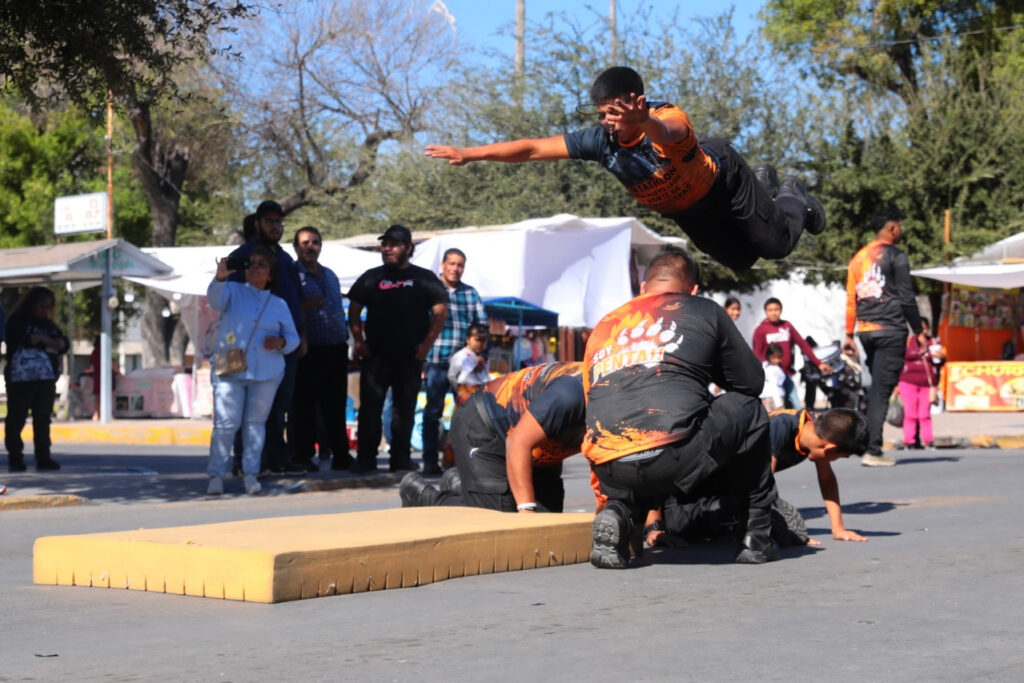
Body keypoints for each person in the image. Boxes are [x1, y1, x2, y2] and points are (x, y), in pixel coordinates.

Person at [425, 66, 825, 272]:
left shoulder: (667, 117)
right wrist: (469, 153)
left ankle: (791, 196)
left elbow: (671, 131)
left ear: (636, 103)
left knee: (774, 247)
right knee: (742, 261)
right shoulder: (601, 142)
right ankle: (767, 188)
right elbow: (531, 149)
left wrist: (645, 120)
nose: (606, 122)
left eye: (613, 113)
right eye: (601, 114)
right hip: (688, 211)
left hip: (724, 184)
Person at [583, 247, 779, 568]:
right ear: (694, 290)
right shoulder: (704, 309)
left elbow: (591, 408)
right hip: (673, 454)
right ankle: (755, 537)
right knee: (749, 408)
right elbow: (750, 383)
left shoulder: (605, 325)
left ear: (643, 288)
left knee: (646, 441)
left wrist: (605, 496)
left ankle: (619, 511)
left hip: (609, 464)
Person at [650, 408, 870, 548]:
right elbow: (761, 485)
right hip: (688, 492)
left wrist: (838, 527)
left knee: (731, 516)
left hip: (724, 489)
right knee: (680, 527)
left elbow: (827, 479)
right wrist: (786, 532)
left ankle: (731, 521)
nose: (832, 462)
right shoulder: (779, 429)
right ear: (830, 449)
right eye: (840, 457)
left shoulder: (814, 430)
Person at [398, 361, 586, 513]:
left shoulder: (607, 395)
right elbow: (518, 442)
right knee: (500, 521)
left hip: (539, 452)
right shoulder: (570, 394)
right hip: (485, 425)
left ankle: (465, 487)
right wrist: (526, 512)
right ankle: (426, 498)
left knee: (548, 528)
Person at [348, 224, 448, 473]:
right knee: (370, 409)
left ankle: (400, 457)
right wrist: (359, 341)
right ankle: (366, 458)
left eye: (393, 244)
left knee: (404, 409)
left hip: (410, 357)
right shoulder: (372, 277)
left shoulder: (424, 278)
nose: (387, 248)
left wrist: (427, 344)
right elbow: (354, 308)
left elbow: (439, 312)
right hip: (376, 356)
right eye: (385, 244)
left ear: (408, 248)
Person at [206, 248, 299, 495]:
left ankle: (251, 474)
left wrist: (281, 343)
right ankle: (216, 475)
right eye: (251, 264)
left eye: (261, 264)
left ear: (270, 274)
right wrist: (220, 277)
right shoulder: (232, 291)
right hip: (230, 370)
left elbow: (294, 339)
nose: (255, 267)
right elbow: (214, 300)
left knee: (255, 423)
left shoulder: (278, 303)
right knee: (226, 423)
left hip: (267, 370)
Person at [226, 200, 307, 474]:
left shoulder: (285, 259)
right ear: (258, 223)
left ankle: (276, 459)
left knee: (280, 404)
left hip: (285, 344)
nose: (276, 227)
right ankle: (247, 461)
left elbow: (297, 299)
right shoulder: (241, 257)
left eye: (279, 222)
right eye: (270, 221)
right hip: (251, 344)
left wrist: (301, 335)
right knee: (249, 404)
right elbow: (231, 300)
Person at [844, 207, 925, 467]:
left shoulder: (858, 258)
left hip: (866, 332)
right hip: (890, 331)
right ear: (891, 228)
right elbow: (906, 296)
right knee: (881, 389)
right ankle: (873, 449)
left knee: (876, 389)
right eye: (899, 226)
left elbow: (851, 299)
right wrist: (919, 331)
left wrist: (848, 334)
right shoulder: (895, 255)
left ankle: (867, 443)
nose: (901, 231)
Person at [291, 226, 353, 471]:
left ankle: (341, 454)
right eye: (305, 242)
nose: (310, 246)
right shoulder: (292, 275)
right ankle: (302, 456)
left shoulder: (330, 275)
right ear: (296, 247)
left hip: (336, 348)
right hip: (308, 350)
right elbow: (287, 309)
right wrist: (304, 306)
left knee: (336, 405)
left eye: (315, 242)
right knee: (304, 406)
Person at [421, 248, 487, 474]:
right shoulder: (430, 290)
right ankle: (430, 461)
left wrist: (480, 355)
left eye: (460, 265)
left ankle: (464, 461)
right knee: (433, 412)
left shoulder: (470, 294)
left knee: (468, 414)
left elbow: (482, 326)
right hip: (435, 361)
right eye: (452, 264)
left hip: (464, 366)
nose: (455, 269)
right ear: (442, 265)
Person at [4, 287, 69, 473]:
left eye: (48, 307)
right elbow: (21, 340)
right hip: (20, 379)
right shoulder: (17, 321)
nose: (45, 311)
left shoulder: (49, 325)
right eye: (41, 306)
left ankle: (43, 457)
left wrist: (51, 342)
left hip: (45, 379)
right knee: (17, 418)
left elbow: (63, 344)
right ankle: (15, 458)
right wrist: (42, 340)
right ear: (31, 304)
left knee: (42, 418)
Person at [752, 297, 831, 409]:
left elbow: (803, 345)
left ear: (781, 310)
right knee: (777, 410)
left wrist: (819, 363)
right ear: (766, 311)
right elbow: (757, 355)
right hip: (771, 380)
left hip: (785, 375)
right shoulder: (760, 330)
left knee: (796, 407)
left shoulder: (787, 326)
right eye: (770, 310)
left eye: (776, 309)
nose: (774, 313)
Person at [897, 319, 939, 450]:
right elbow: (899, 360)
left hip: (927, 384)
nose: (922, 332)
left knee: (924, 415)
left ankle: (928, 440)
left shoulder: (933, 342)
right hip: (908, 382)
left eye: (925, 329)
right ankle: (909, 441)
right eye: (919, 329)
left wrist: (940, 355)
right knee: (910, 414)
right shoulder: (908, 341)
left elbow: (939, 361)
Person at [447, 322, 491, 406]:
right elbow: (451, 376)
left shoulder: (485, 358)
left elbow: (486, 374)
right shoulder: (461, 356)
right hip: (465, 391)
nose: (480, 344)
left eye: (483, 341)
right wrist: (459, 389)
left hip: (481, 392)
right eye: (477, 340)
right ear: (468, 339)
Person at [760, 343, 787, 411]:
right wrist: (779, 404)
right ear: (768, 356)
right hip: (774, 399)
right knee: (777, 418)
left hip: (765, 397)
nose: (777, 360)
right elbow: (774, 387)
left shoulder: (765, 366)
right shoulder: (773, 370)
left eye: (779, 357)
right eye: (774, 357)